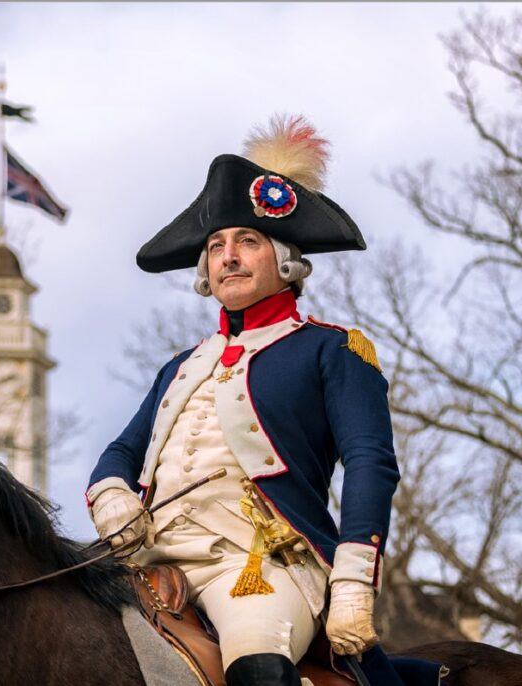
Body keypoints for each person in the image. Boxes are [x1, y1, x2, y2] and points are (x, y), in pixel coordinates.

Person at [87, 117, 412, 686]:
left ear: (284, 259)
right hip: (149, 559)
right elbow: (122, 449)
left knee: (258, 662)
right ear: (205, 272)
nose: (228, 257)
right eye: (217, 246)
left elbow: (369, 461)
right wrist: (112, 493)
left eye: (247, 242)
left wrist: (355, 576)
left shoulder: (333, 349)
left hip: (258, 568)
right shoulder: (182, 365)